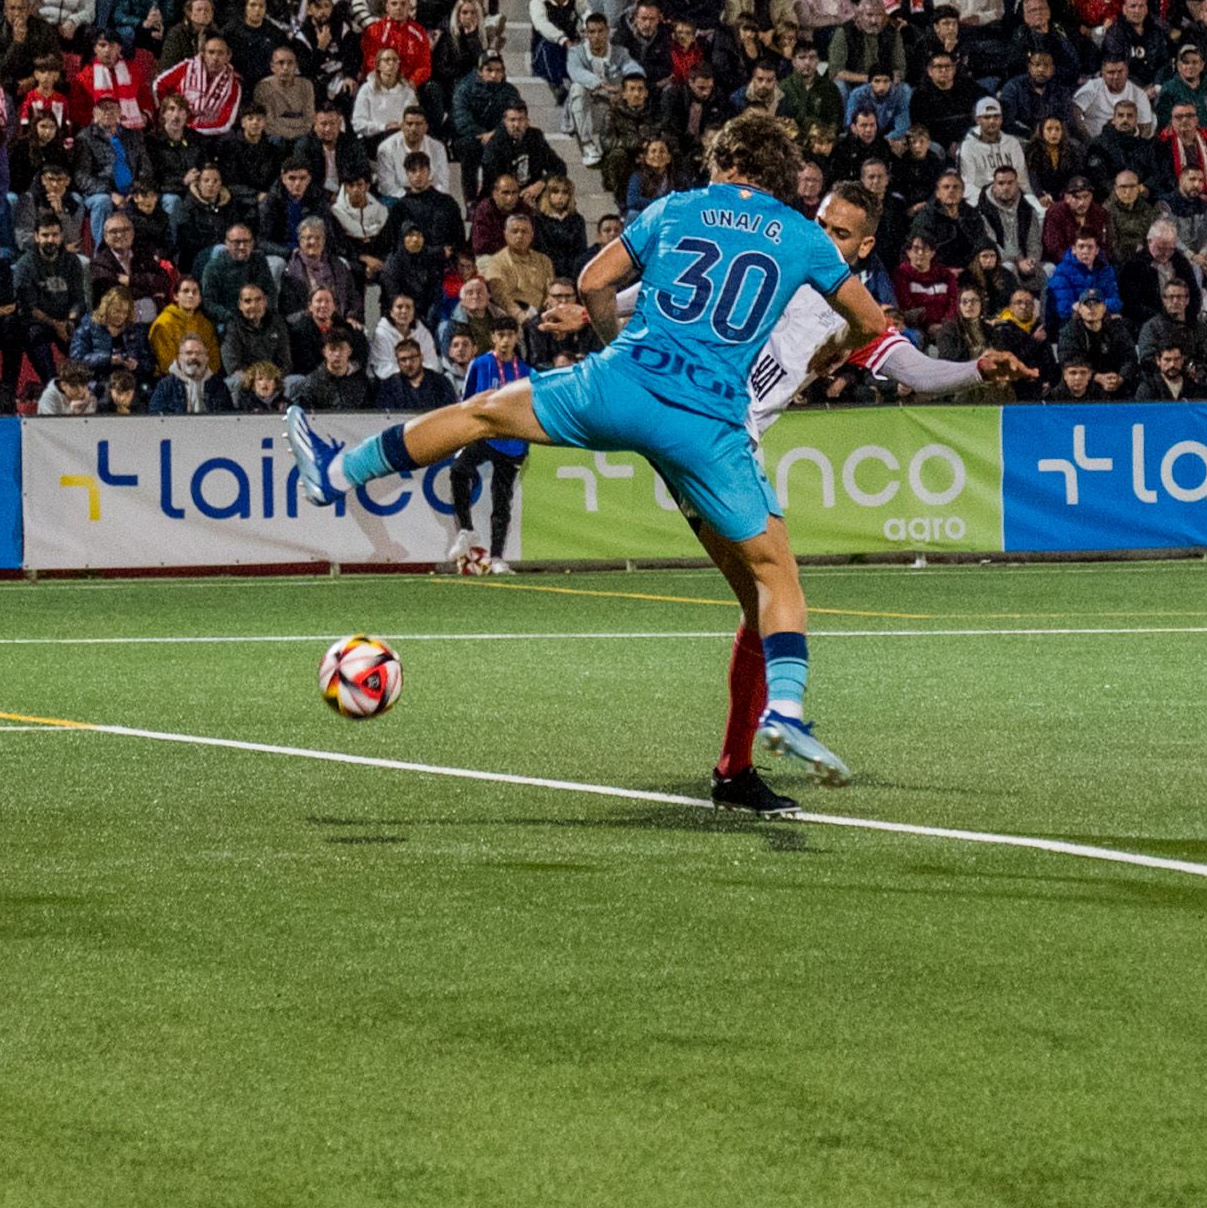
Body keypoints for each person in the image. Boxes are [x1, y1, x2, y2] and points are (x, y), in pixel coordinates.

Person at [290, 110, 896, 792]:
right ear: (783, 175)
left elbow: (590, 284)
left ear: (724, 162)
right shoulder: (803, 237)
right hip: (711, 425)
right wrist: (834, 353)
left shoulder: (680, 205)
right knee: (774, 580)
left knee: (482, 412)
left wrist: (613, 349)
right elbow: (871, 324)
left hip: (627, 382)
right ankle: (785, 710)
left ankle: (337, 471)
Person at [548, 182, 1032, 811]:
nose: (821, 233)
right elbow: (674, 287)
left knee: (760, 602)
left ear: (861, 247)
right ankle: (744, 758)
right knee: (772, 594)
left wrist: (973, 370)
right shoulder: (781, 259)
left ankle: (743, 758)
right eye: (821, 220)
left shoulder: (849, 310)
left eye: (838, 231)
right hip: (707, 436)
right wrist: (591, 313)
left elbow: (910, 368)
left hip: (709, 443)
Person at [444, 316, 533, 575]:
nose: (505, 341)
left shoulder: (526, 372)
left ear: (516, 338)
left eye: (510, 335)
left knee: (501, 499)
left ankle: (496, 558)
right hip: (485, 435)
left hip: (514, 441)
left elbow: (530, 408)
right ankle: (466, 530)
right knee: (459, 470)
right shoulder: (480, 365)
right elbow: (467, 402)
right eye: (500, 335)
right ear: (492, 338)